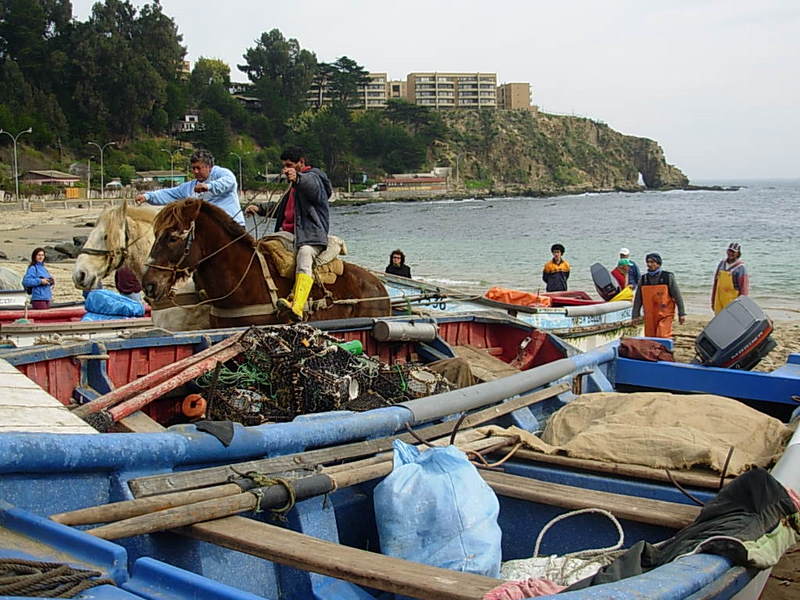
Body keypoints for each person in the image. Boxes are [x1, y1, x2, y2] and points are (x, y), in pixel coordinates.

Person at [246, 147, 332, 321]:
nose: (285, 169)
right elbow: (281, 208)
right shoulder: (293, 187)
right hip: (287, 235)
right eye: (284, 166)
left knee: (305, 254)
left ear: (301, 162)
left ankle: (297, 306)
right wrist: (259, 208)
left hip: (310, 236)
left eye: (290, 165)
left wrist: (298, 178)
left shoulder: (315, 178)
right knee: (259, 248)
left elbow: (312, 187)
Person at [135, 150, 244, 226]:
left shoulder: (220, 173)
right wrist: (147, 196)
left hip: (232, 225)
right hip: (209, 229)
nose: (195, 171)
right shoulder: (190, 187)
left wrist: (208, 186)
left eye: (198, 168)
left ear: (209, 167)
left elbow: (229, 181)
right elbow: (170, 193)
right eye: (193, 168)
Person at [632, 252, 686, 339]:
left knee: (662, 335)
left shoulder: (668, 277)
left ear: (658, 264)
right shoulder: (643, 279)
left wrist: (681, 313)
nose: (649, 264)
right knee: (650, 338)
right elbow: (638, 299)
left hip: (665, 314)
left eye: (652, 262)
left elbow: (677, 296)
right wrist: (635, 315)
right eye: (648, 262)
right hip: (649, 315)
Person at [711, 242, 749, 314]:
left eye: (733, 252)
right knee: (718, 318)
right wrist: (713, 300)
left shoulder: (741, 268)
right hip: (719, 300)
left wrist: (742, 305)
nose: (730, 253)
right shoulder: (722, 264)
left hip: (732, 302)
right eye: (729, 251)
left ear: (738, 253)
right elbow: (716, 283)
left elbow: (744, 289)